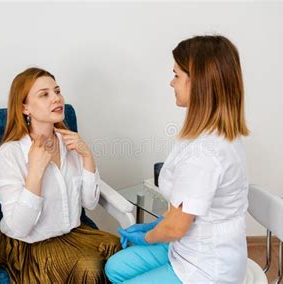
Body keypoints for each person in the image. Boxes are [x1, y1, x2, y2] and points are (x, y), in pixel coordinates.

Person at [105, 35, 250, 283]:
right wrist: (158, 224)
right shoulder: (203, 132)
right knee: (115, 268)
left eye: (177, 75)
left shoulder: (206, 153)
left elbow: (176, 227)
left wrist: (148, 236)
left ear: (199, 83)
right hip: (187, 246)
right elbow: (183, 211)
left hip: (206, 268)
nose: (171, 83)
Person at [0, 67, 121, 283]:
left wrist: (88, 157)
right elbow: (20, 228)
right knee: (90, 268)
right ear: (25, 108)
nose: (56, 98)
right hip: (29, 245)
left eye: (57, 91)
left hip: (72, 234)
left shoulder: (69, 144)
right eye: (44, 94)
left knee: (120, 249)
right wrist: (35, 173)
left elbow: (89, 204)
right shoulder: (10, 154)